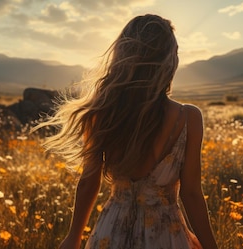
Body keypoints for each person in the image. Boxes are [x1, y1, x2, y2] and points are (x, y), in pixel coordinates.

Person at [40, 14, 218, 249]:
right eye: (174, 52)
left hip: (112, 232)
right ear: (167, 60)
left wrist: (73, 237)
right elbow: (192, 193)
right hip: (165, 236)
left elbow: (88, 183)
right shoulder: (188, 118)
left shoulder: (102, 114)